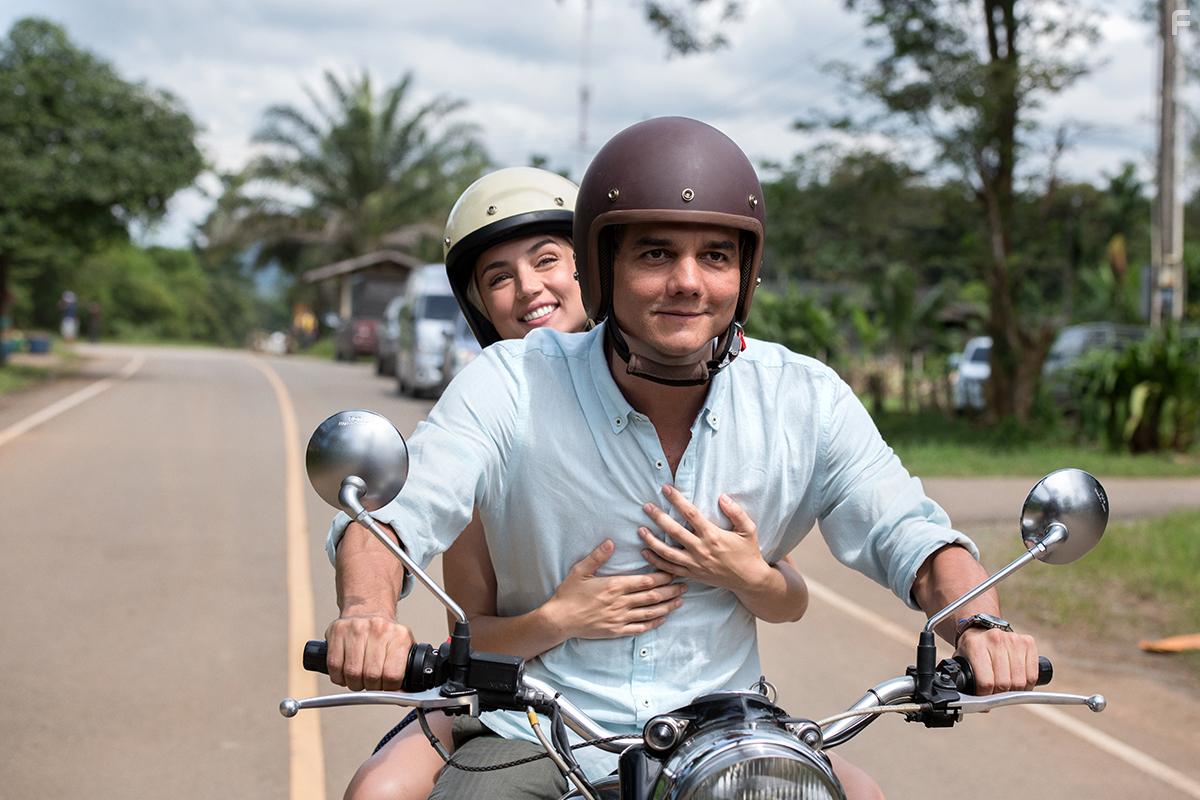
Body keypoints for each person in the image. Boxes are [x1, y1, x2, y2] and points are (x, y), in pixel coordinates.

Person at [326, 118, 1039, 799]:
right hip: (538, 730)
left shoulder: (804, 398)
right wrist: (367, 613)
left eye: (716, 255)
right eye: (656, 253)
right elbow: (398, 512)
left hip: (728, 739)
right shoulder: (508, 383)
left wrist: (981, 627)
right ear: (603, 270)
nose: (689, 281)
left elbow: (909, 532)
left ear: (745, 273)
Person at [339, 166, 809, 800]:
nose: (529, 288)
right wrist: (558, 618)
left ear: (594, 265)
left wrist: (753, 577)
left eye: (546, 260)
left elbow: (788, 585)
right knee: (381, 791)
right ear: (480, 305)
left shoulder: (703, 378)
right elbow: (461, 623)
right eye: (498, 277)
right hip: (525, 712)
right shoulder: (486, 412)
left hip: (707, 733)